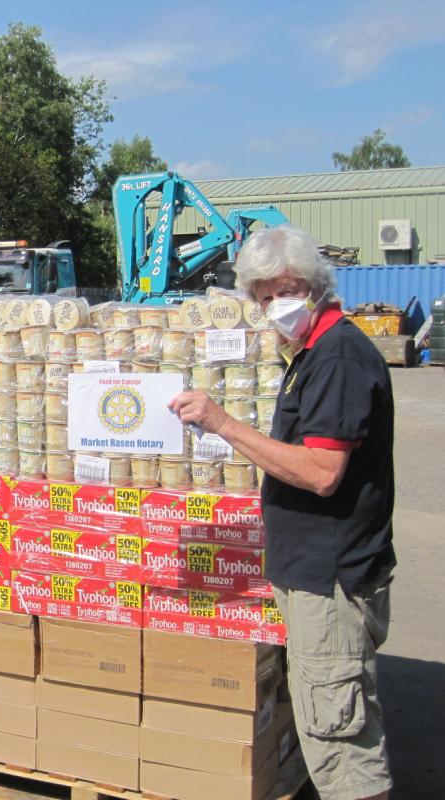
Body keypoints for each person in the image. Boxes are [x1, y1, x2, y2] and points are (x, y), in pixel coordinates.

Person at [170, 225, 395, 800]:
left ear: (315, 284)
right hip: (312, 573)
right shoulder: (309, 354)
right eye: (264, 295)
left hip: (333, 577)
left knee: (341, 741)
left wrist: (224, 424)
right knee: (326, 723)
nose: (275, 305)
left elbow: (322, 473)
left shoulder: (338, 355)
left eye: (285, 289)